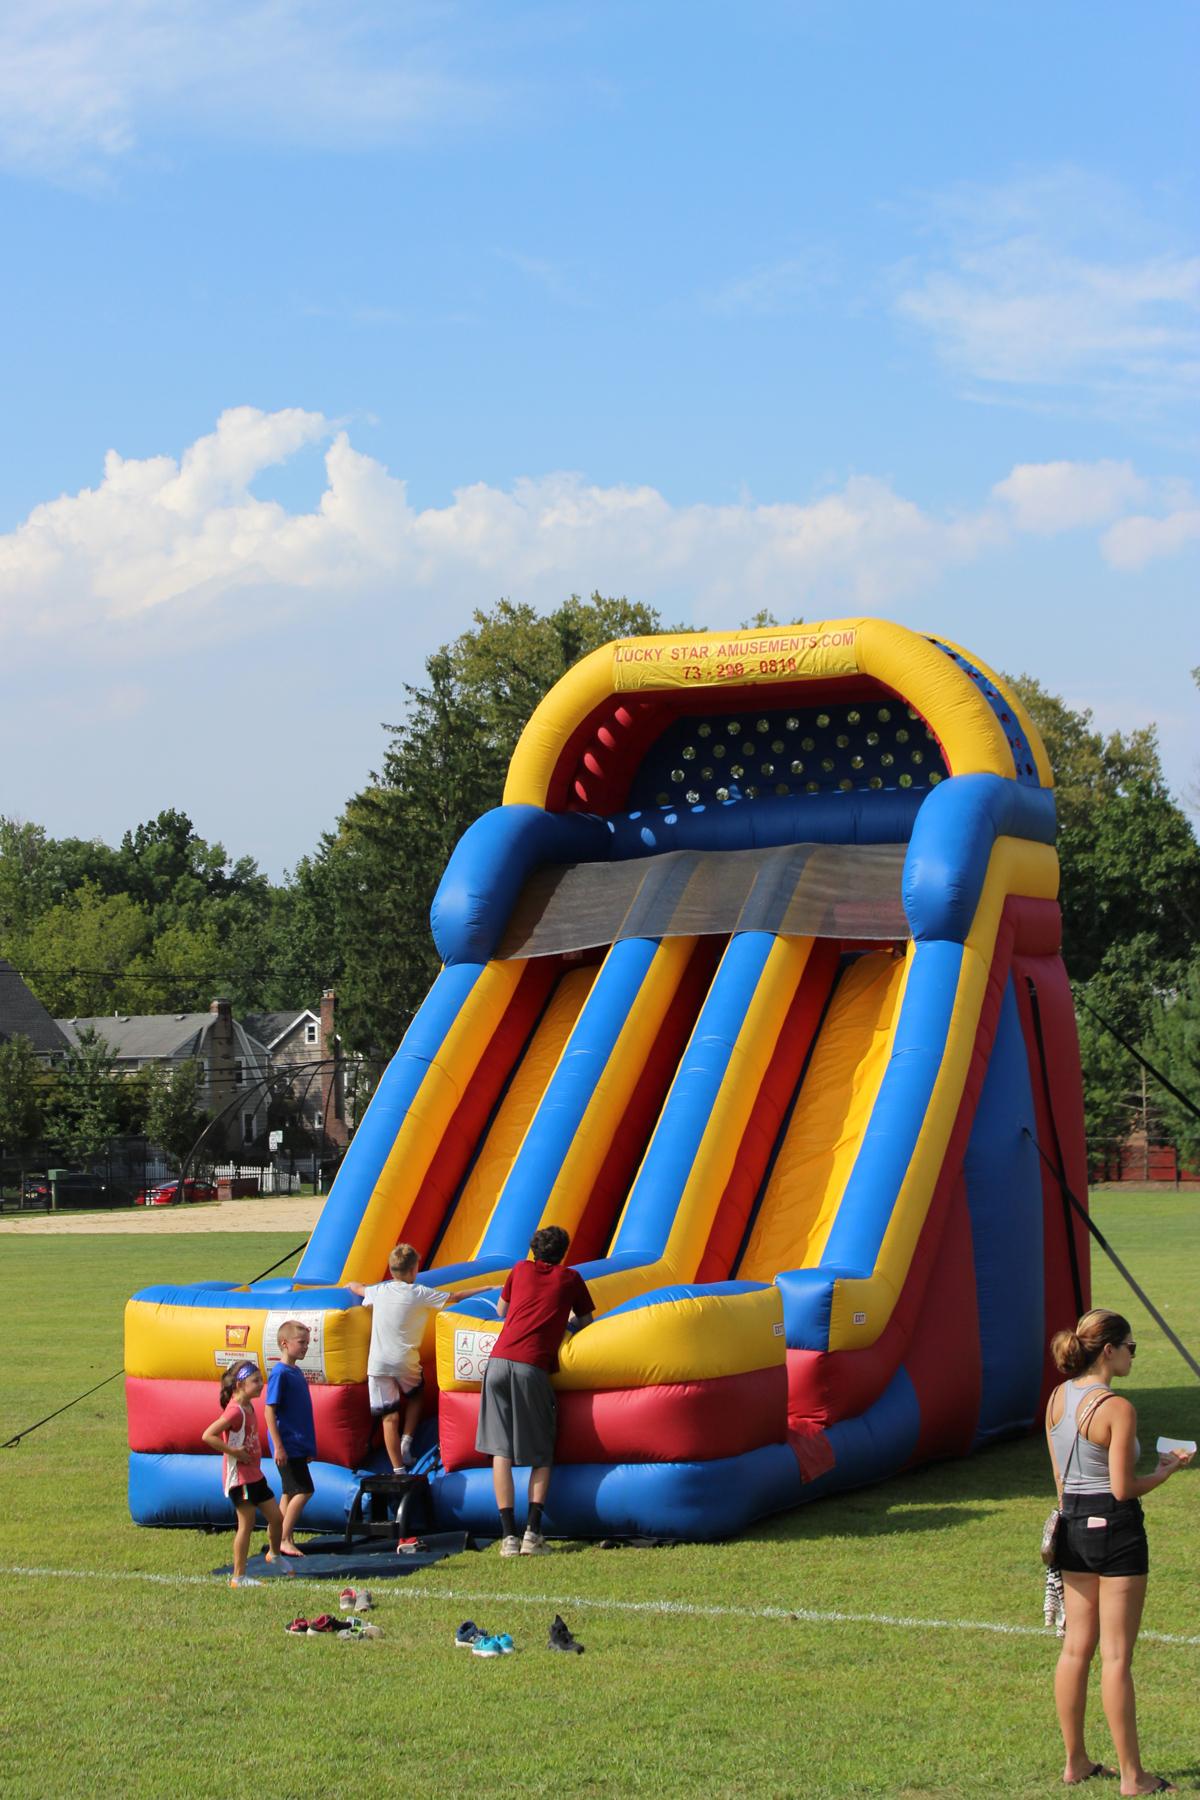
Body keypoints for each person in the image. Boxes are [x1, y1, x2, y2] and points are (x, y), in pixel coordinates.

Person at [1046, 1308, 1192, 1794]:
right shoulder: (1117, 1408)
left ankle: (1076, 1763)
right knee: (1115, 1657)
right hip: (1116, 1530)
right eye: (1130, 1346)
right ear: (1108, 1350)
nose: (1133, 1355)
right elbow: (1124, 1488)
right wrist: (1166, 1470)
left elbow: (1066, 1480)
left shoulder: (1056, 1398)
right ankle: (1133, 1776)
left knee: (1075, 1649)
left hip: (1071, 1528)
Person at [475, 1224, 594, 1556]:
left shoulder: (519, 1269)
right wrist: (563, 1319)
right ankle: (533, 1533)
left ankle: (508, 1537)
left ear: (533, 1249)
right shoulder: (570, 1279)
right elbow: (586, 1322)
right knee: (542, 1453)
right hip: (532, 1365)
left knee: (501, 1451)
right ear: (563, 1253)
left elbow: (501, 1311)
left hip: (497, 1361)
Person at [349, 1244, 460, 1471]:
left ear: (391, 1271)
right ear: (413, 1271)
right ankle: (406, 1442)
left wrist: (350, 1285)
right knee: (417, 1394)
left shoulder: (379, 1290)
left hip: (378, 1363)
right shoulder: (418, 1292)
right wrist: (488, 1287)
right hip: (404, 1360)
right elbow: (455, 1296)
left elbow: (359, 1289)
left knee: (388, 1418)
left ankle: (397, 1469)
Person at [201, 1359, 290, 1588]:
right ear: (240, 1385)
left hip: (254, 1475)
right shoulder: (235, 1411)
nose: (261, 1385)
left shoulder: (249, 1406)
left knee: (277, 1518)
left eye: (261, 1380)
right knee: (246, 1525)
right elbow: (208, 1435)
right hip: (240, 1479)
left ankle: (274, 1554)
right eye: (256, 1381)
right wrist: (233, 1451)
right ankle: (238, 1577)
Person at [263, 1319, 316, 1556]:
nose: (305, 1347)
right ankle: (283, 1538)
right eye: (301, 1342)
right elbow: (269, 1411)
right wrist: (279, 1446)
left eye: (307, 1343)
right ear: (284, 1343)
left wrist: (306, 1446)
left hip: (297, 1445)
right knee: (304, 1490)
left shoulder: (295, 1371)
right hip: (287, 1445)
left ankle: (278, 1539)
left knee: (288, 1492)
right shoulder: (280, 1374)